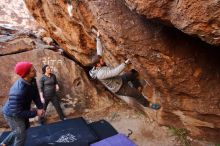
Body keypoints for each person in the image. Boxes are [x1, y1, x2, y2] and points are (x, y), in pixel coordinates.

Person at [89, 31, 160, 110]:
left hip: (119, 80)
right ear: (98, 64)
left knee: (132, 74)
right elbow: (114, 72)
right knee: (136, 94)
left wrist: (98, 38)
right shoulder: (100, 74)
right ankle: (149, 104)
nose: (102, 60)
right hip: (119, 88)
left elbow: (99, 52)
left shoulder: (98, 64)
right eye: (101, 60)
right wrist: (125, 63)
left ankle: (138, 87)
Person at [1, 62, 45, 146]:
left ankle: (4, 144)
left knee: (23, 128)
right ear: (26, 74)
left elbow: (35, 94)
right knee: (21, 135)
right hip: (12, 114)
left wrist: (40, 107)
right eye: (32, 70)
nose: (35, 70)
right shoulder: (18, 91)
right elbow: (17, 112)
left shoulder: (32, 80)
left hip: (19, 110)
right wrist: (36, 113)